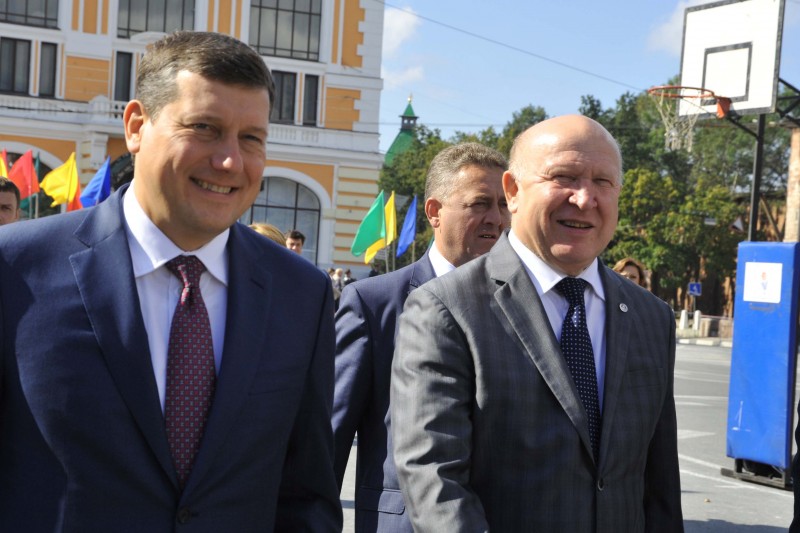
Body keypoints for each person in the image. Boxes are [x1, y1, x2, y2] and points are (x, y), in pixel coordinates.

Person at [0, 31, 341, 531]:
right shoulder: (15, 270)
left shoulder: (301, 294)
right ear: (137, 126)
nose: (230, 160)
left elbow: (305, 496)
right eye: (204, 128)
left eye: (251, 138)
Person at [391, 115, 683, 532]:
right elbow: (435, 481)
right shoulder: (445, 308)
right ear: (512, 191)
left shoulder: (651, 317)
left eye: (603, 182)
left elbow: (659, 489)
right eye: (564, 177)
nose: (585, 198)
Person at [333, 142, 509, 532]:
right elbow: (329, 439)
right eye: (480, 204)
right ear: (434, 212)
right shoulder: (374, 303)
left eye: (504, 205)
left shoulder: (527, 303)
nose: (496, 219)